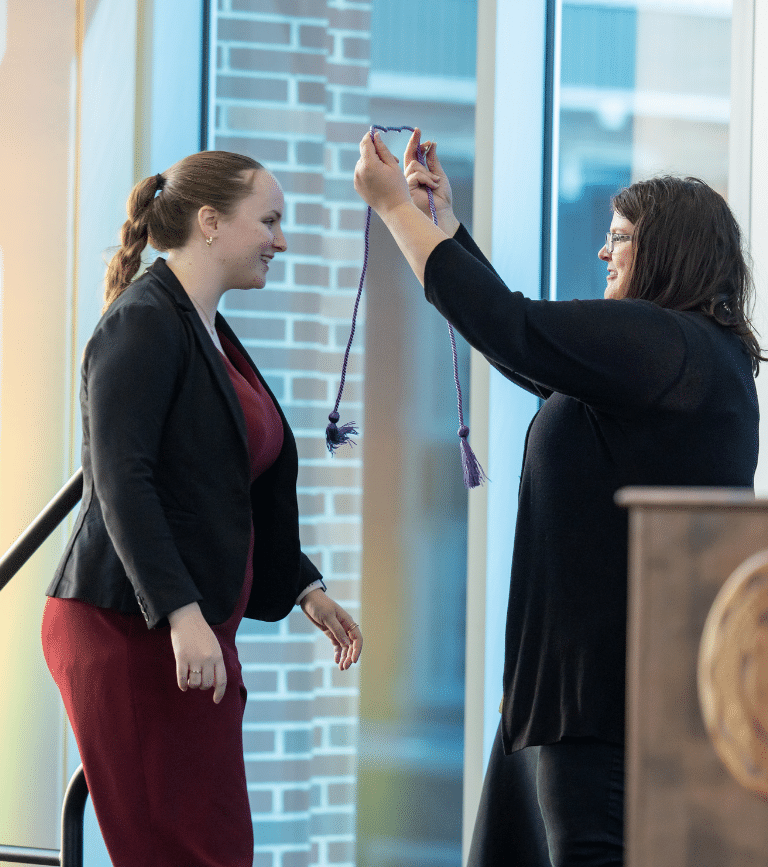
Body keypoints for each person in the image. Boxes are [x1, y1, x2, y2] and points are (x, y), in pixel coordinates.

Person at [353, 128, 762, 867]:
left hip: (603, 712)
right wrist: (445, 227)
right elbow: (527, 348)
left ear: (669, 252)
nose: (604, 253)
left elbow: (517, 327)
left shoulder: (672, 347)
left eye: (622, 238)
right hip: (559, 705)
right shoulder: (672, 362)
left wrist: (395, 213)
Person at [42, 151, 363, 867]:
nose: (281, 240)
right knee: (187, 852)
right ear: (210, 223)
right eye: (270, 221)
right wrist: (181, 614)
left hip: (188, 628)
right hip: (132, 629)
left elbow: (231, 481)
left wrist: (304, 587)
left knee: (213, 847)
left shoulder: (208, 332)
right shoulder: (143, 323)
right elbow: (121, 478)